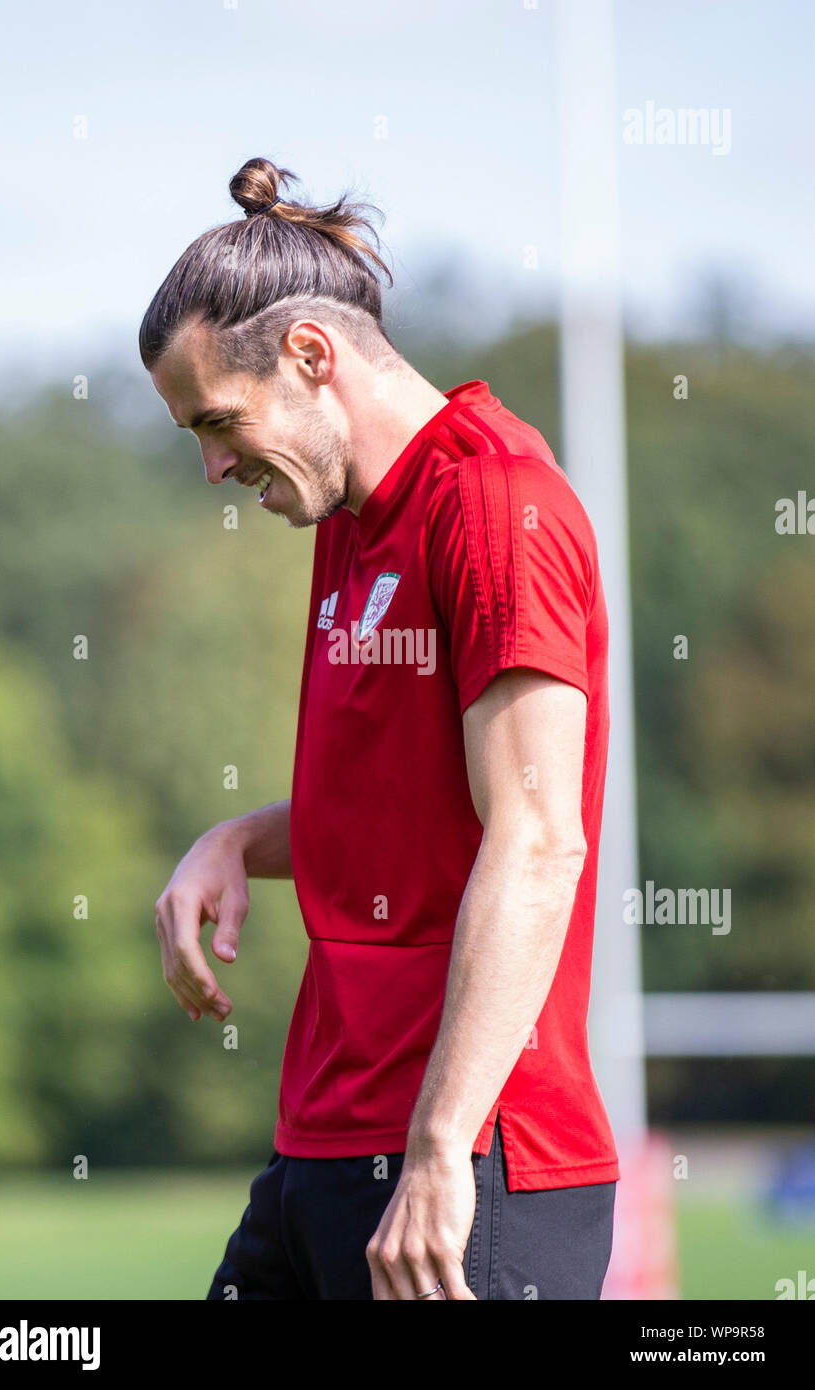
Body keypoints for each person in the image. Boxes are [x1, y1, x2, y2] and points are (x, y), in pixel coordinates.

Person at [140, 156, 619, 1301]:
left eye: (218, 421)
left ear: (311, 357)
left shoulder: (498, 507)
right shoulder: (350, 518)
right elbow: (399, 814)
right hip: (323, 1143)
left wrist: (440, 1146)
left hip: (469, 1164)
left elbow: (539, 839)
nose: (211, 466)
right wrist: (238, 842)